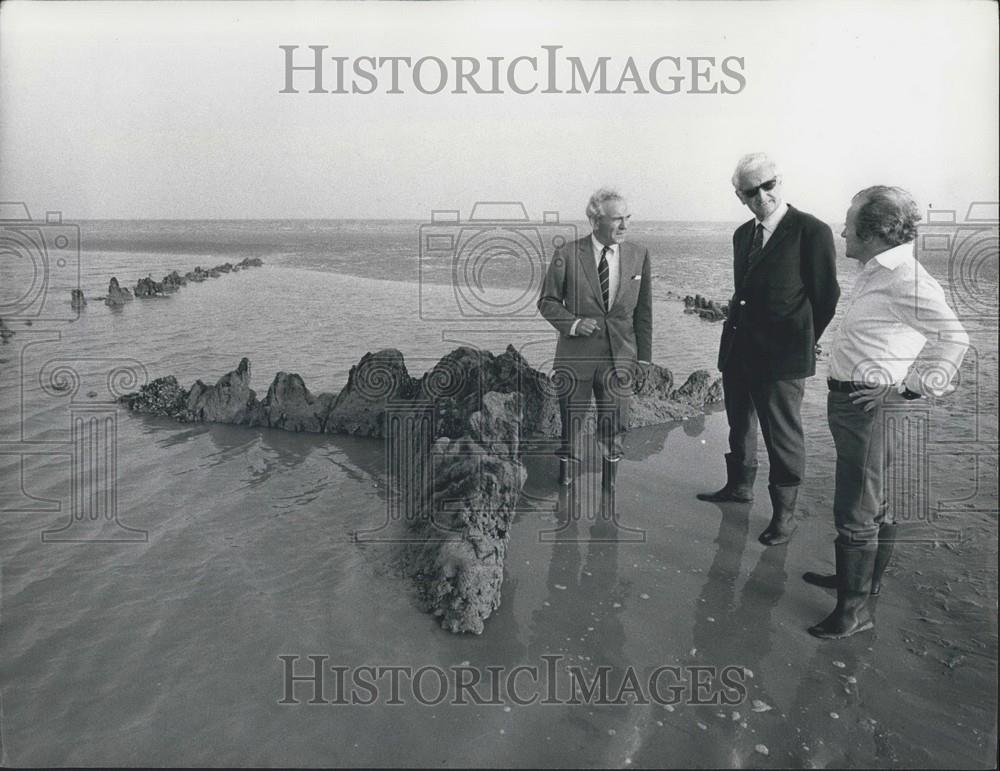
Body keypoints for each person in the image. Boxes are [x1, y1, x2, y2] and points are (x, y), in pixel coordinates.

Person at [807, 186, 969, 639]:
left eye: (849, 221)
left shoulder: (905, 279)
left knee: (856, 508)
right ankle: (862, 586)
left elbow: (955, 338)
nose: (841, 229)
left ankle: (852, 612)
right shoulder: (877, 270)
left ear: (874, 230)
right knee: (874, 501)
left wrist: (911, 387)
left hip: (870, 407)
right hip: (859, 405)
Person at [698, 153, 840, 546]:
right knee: (739, 424)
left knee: (783, 437)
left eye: (767, 186)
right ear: (739, 196)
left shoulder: (812, 231)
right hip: (739, 350)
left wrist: (801, 342)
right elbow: (744, 292)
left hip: (783, 357)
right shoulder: (743, 234)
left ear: (780, 181)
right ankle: (740, 488)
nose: (762, 196)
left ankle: (784, 518)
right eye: (751, 191)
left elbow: (826, 297)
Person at [538, 188, 652, 507]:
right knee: (571, 430)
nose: (625, 225)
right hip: (575, 358)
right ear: (595, 219)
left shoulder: (639, 254)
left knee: (614, 429)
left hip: (620, 361)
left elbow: (644, 312)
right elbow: (547, 301)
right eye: (618, 219)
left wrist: (644, 360)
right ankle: (565, 496)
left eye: (628, 218)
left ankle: (608, 496)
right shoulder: (567, 254)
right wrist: (573, 323)